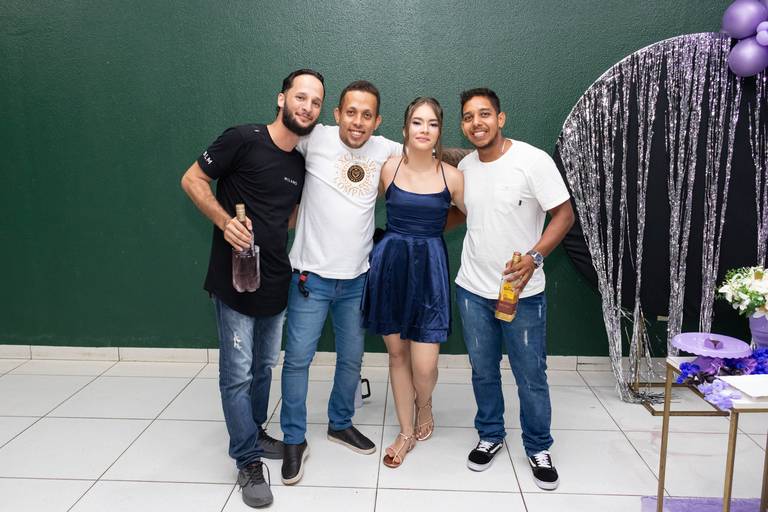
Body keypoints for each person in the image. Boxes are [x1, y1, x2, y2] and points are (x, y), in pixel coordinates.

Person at [180, 69, 325, 508]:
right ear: (282, 99)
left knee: (263, 367)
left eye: (315, 102)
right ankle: (246, 459)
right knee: (238, 373)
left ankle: (256, 432)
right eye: (300, 97)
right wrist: (226, 223)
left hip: (276, 280)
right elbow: (192, 179)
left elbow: (288, 216)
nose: (307, 107)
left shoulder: (298, 164)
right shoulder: (242, 139)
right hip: (233, 281)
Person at [279, 80, 403, 485]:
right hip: (310, 278)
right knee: (298, 360)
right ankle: (293, 439)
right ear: (337, 114)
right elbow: (275, 140)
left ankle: (340, 423)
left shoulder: (384, 148)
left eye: (367, 115)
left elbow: (425, 155)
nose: (358, 121)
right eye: (351, 112)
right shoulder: (314, 138)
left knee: (351, 359)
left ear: (377, 121)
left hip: (356, 281)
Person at [455, 88, 574, 491]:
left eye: (484, 114)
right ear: (463, 125)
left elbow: (564, 214)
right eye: (468, 117)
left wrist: (536, 256)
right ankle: (490, 434)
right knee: (483, 369)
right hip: (472, 290)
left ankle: (538, 446)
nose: (477, 123)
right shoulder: (465, 167)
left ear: (500, 118)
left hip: (521, 292)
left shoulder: (532, 161)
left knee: (530, 374)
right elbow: (467, 216)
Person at [361, 97, 465, 468]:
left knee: (424, 366)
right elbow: (356, 205)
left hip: (430, 272)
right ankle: (405, 432)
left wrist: (431, 232)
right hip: (391, 267)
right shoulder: (388, 168)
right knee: (397, 354)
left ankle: (425, 401)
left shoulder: (452, 177)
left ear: (440, 131)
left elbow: (474, 216)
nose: (424, 129)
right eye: (417, 122)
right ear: (405, 128)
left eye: (432, 123)